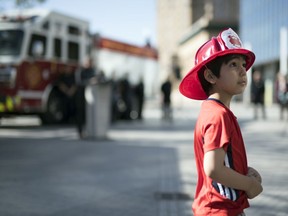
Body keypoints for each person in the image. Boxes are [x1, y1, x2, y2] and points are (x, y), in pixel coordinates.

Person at [179, 28, 263, 215]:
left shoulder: (215, 111)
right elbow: (213, 168)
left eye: (243, 64)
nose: (243, 70)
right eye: (233, 64)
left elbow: (222, 163)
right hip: (220, 210)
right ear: (210, 76)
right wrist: (248, 184)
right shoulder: (218, 115)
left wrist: (244, 172)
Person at [74, 57, 96, 138]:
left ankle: (88, 131)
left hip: (90, 97)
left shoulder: (92, 70)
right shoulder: (81, 71)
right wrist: (89, 81)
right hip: (80, 96)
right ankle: (80, 132)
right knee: (80, 114)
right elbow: (79, 82)